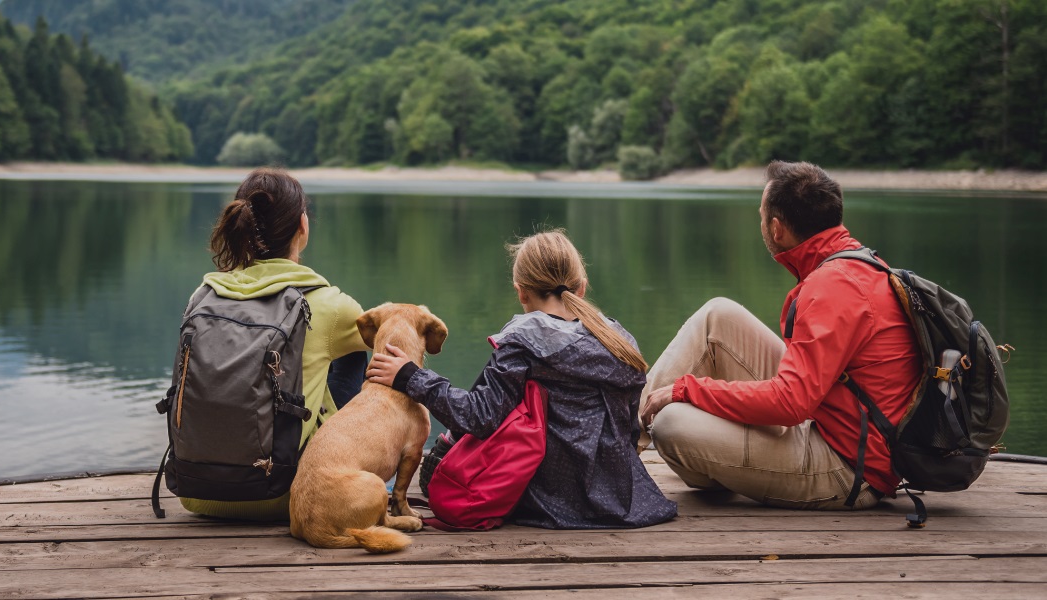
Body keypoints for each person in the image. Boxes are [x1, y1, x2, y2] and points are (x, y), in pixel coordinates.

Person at [639, 161, 922, 510]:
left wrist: (688, 390)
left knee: (670, 424)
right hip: (831, 418)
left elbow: (790, 404)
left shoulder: (832, 287)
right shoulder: (854, 263)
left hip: (849, 469)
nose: (759, 223)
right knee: (718, 316)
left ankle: (615, 452)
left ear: (776, 228)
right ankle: (620, 444)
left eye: (760, 215)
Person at [366, 230, 678, 529]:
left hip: (549, 499)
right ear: (581, 287)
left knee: (438, 465)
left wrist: (411, 377)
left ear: (521, 292)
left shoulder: (523, 342)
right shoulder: (620, 340)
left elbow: (479, 416)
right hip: (623, 496)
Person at [179, 167, 369, 520]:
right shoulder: (330, 305)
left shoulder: (202, 296)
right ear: (303, 226)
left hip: (196, 492)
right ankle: (360, 474)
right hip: (290, 493)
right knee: (355, 350)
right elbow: (389, 343)